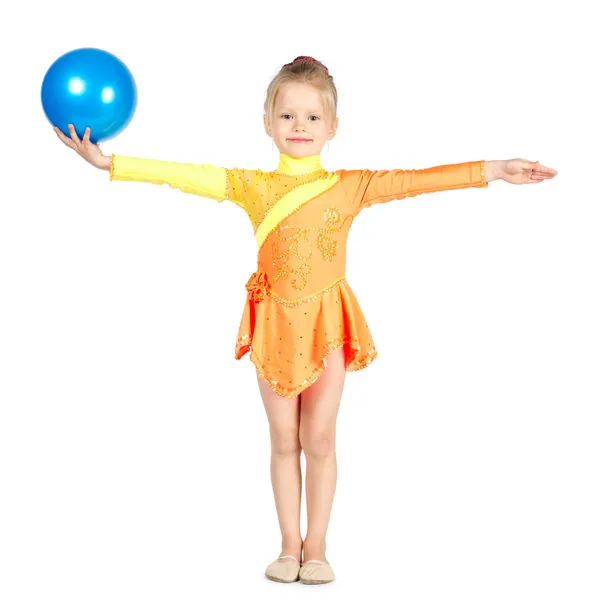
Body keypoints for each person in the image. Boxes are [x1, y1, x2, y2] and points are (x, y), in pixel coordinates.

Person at [54, 55, 558, 585]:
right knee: (281, 439)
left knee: (318, 437)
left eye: (313, 118)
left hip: (326, 327)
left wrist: (496, 170)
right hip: (274, 324)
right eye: (288, 116)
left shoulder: (350, 185)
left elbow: (418, 181)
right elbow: (184, 176)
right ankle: (287, 543)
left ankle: (317, 544)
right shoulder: (252, 186)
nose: (300, 127)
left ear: (333, 127)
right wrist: (110, 163)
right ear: (268, 122)